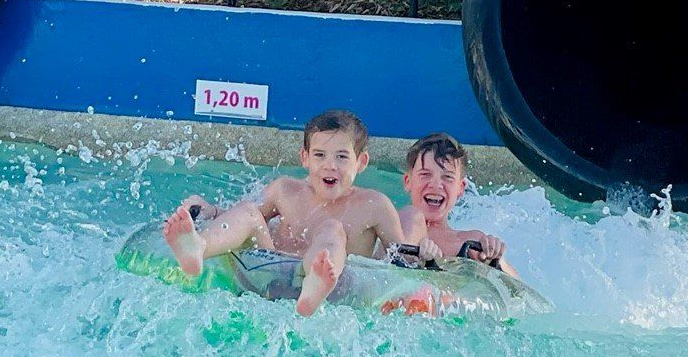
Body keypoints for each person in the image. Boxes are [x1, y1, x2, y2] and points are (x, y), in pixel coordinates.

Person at [162, 109, 436, 317]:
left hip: (333, 290)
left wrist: (425, 254)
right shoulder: (285, 190)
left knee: (332, 229)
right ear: (304, 158)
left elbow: (399, 258)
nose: (330, 166)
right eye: (320, 155)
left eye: (341, 157)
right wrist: (210, 211)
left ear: (361, 162)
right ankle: (198, 247)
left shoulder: (374, 205)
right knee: (248, 211)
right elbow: (240, 222)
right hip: (271, 274)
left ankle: (316, 279)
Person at [398, 132, 519, 278]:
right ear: (408, 181)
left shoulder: (470, 242)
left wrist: (497, 260)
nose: (436, 185)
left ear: (460, 188)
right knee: (412, 215)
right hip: (403, 291)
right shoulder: (389, 228)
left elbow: (520, 292)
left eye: (447, 177)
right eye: (425, 174)